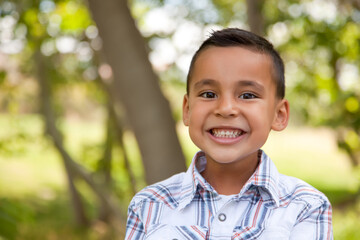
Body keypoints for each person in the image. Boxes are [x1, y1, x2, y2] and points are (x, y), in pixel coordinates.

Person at [125, 28, 333, 240]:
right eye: (209, 94)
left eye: (247, 95)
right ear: (187, 110)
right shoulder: (149, 205)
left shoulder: (305, 206)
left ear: (279, 115)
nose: (225, 108)